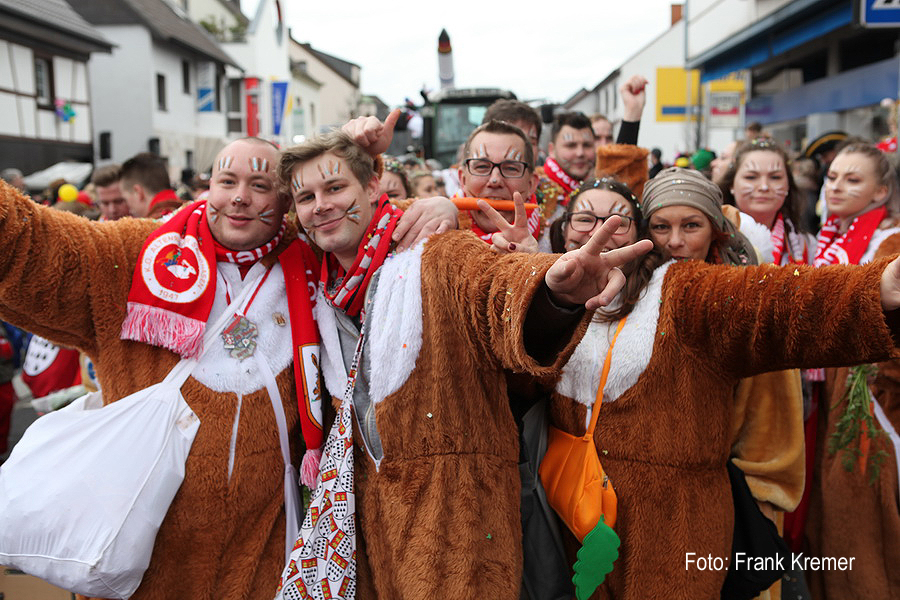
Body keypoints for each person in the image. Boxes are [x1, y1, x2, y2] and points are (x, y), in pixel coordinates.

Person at [0, 135, 458, 600]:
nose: (240, 197)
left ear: (284, 202)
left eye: (259, 185)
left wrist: (445, 206)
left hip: (261, 558)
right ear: (208, 188)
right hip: (147, 563)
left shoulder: (312, 259)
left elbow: (371, 225)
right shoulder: (137, 253)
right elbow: (34, 247)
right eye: (227, 181)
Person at [275, 110, 654, 599]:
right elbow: (240, 217)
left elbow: (493, 290)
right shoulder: (314, 280)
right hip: (366, 520)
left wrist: (553, 294)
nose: (322, 206)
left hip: (457, 523)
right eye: (306, 197)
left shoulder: (438, 251)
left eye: (335, 188)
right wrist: (347, 140)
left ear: (371, 187)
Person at [537, 168, 887, 600]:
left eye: (691, 226)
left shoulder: (700, 291)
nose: (675, 241)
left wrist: (876, 289)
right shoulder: (566, 287)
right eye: (662, 227)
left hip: (677, 522)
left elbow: (785, 308)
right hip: (577, 507)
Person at [803, 142, 900, 600]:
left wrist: (879, 385)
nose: (837, 186)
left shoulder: (891, 242)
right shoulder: (831, 239)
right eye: (833, 176)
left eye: (853, 179)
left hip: (872, 406)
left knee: (864, 527)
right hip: (834, 396)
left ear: (881, 191)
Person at [720, 139, 817, 265]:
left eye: (775, 177)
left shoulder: (806, 245)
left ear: (788, 185)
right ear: (731, 184)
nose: (764, 187)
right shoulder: (710, 239)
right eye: (751, 177)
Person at [119, 152, 181, 218]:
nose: (129, 209)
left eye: (126, 200)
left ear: (138, 192)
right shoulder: (185, 211)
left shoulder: (157, 221)